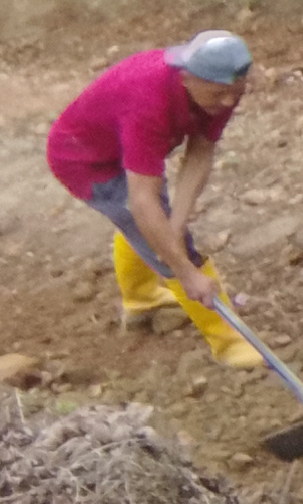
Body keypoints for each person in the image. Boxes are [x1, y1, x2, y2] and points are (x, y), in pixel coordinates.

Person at [44, 30, 261, 369]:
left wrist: (176, 224)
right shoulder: (149, 99)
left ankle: (141, 301)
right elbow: (142, 201)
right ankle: (229, 342)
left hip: (127, 146)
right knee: (156, 232)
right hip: (85, 159)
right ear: (186, 78)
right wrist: (186, 271)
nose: (228, 103)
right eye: (220, 94)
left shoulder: (219, 87)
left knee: (158, 230)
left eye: (238, 91)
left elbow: (200, 151)